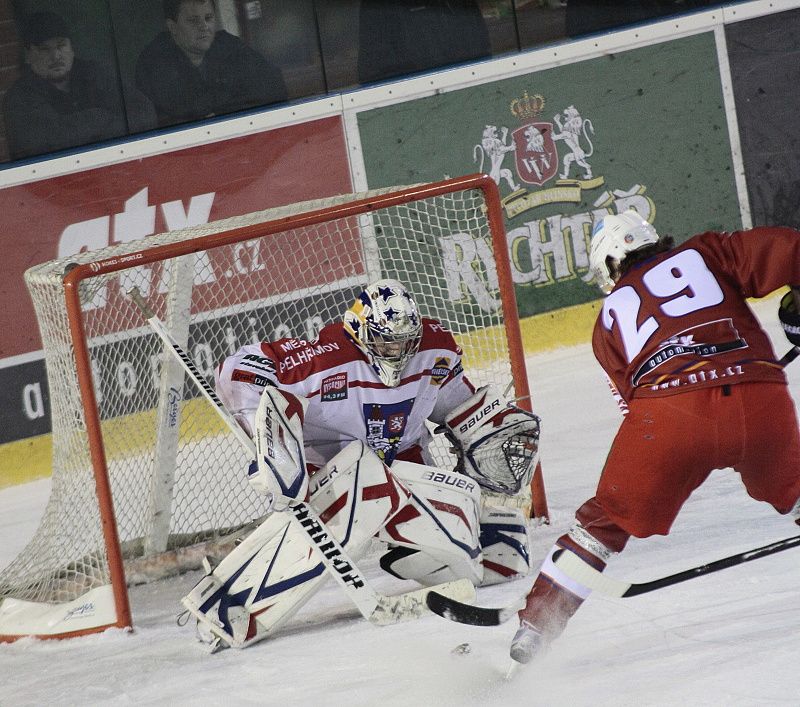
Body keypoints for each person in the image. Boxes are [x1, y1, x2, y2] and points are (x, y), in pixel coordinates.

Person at [181, 278, 540, 649]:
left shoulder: (434, 351)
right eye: (387, 341)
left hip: (404, 467)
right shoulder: (325, 359)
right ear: (361, 332)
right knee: (365, 476)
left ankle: (409, 547)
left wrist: (485, 429)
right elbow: (236, 371)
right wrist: (273, 447)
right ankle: (228, 606)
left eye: (405, 341)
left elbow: (456, 403)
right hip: (334, 473)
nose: (398, 350)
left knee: (499, 561)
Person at [509, 210, 800, 665]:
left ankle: (536, 626)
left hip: (670, 413)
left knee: (604, 521)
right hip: (760, 397)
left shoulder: (607, 317)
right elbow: (790, 251)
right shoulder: (707, 252)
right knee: (795, 486)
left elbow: (633, 406)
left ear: (610, 265)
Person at [135, 0, 287, 128]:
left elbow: (275, 88)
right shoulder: (154, 62)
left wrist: (223, 114)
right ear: (172, 27)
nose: (204, 26)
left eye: (208, 18)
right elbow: (172, 116)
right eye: (193, 20)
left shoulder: (230, 46)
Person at [3, 11, 127, 160]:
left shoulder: (95, 73)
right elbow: (49, 142)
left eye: (61, 45)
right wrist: (99, 116)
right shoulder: (18, 98)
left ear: (72, 48)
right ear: (28, 56)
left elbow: (142, 113)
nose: (56, 56)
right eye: (45, 49)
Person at [357, 0, 491, 84]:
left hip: (470, 90)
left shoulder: (459, 4)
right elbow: (375, 73)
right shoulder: (378, 6)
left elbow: (483, 49)